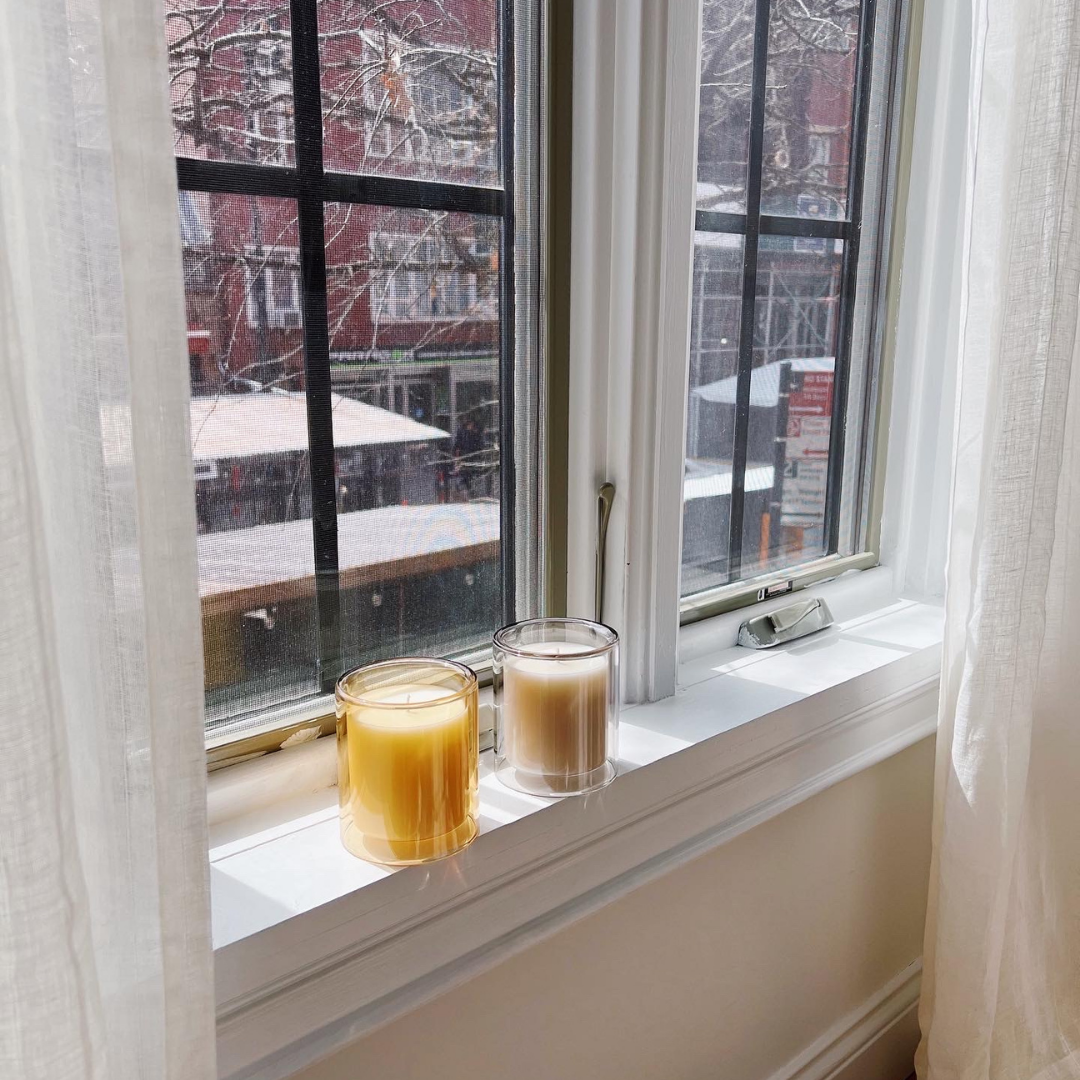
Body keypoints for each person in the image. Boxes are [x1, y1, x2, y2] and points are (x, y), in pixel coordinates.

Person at [452, 416, 484, 499]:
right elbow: (458, 443)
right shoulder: (462, 432)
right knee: (465, 475)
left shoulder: (476, 433)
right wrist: (456, 453)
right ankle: (468, 490)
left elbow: (479, 444)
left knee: (470, 474)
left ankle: (471, 490)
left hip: (473, 457)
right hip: (465, 457)